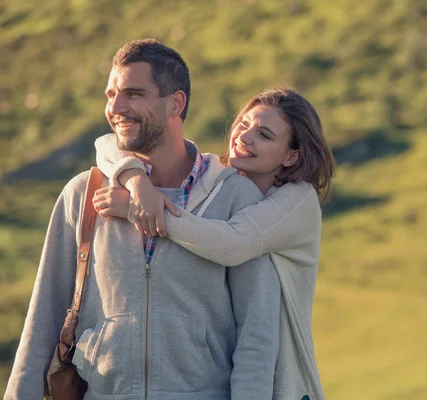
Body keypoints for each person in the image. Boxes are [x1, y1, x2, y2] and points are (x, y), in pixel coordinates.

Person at [5, 39, 281, 400]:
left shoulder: (235, 199)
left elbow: (257, 335)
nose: (116, 108)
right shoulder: (82, 195)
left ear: (175, 103)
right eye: (111, 94)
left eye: (133, 94)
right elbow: (42, 321)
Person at [92, 87, 335, 399]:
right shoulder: (222, 183)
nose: (244, 138)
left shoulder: (297, 200)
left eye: (263, 134)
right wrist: (137, 181)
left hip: (284, 384)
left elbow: (230, 245)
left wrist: (136, 209)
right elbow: (108, 144)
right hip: (234, 375)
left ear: (291, 155)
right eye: (244, 124)